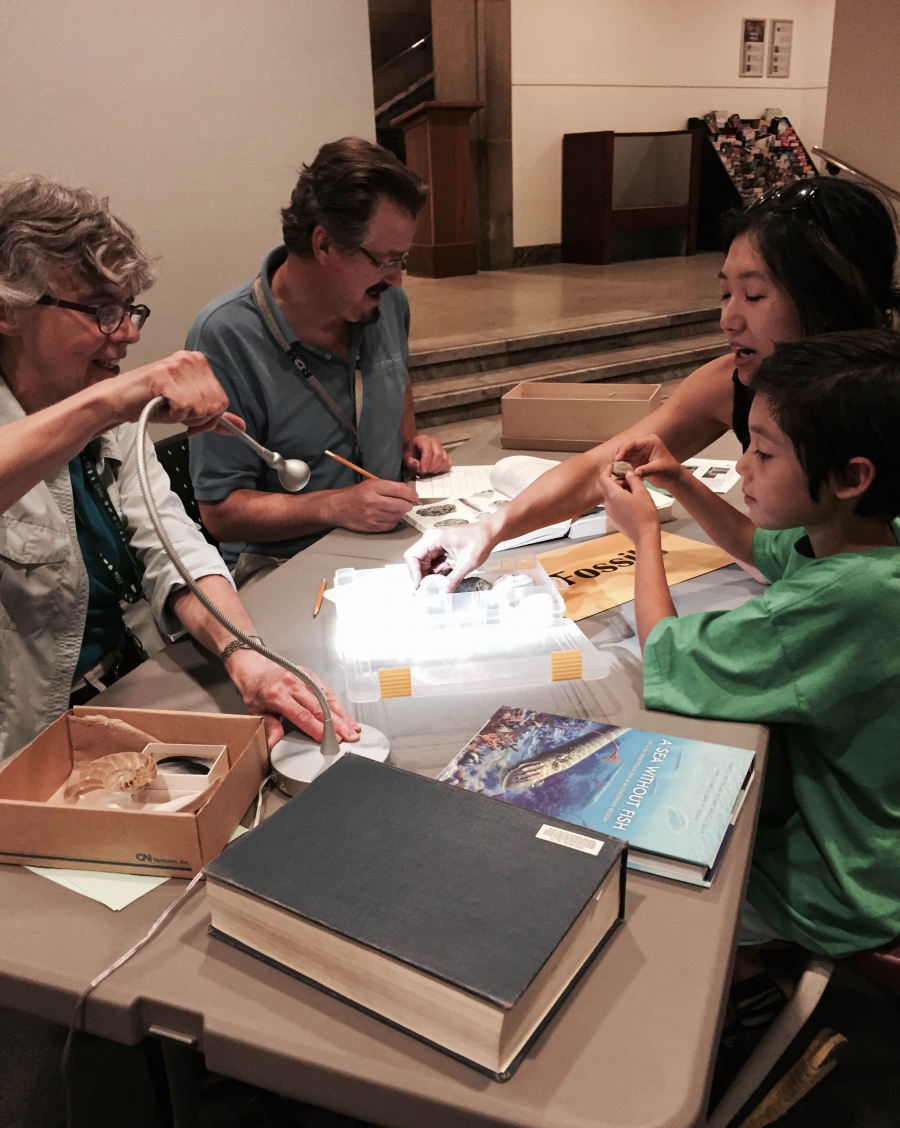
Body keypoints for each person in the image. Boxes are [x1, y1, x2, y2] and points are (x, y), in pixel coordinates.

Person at [0, 176, 359, 760]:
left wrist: (247, 653)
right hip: (24, 742)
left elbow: (169, 546)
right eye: (102, 311)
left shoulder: (103, 410)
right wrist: (108, 403)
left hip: (120, 695)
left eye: (129, 309)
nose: (131, 333)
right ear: (8, 311)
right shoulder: (101, 402)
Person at [405, 177, 900, 591]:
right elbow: (607, 462)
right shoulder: (729, 379)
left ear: (830, 300)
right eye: (726, 292)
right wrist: (489, 528)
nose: (728, 319)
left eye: (753, 295)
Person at [597, 330, 900, 983]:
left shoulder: (844, 601)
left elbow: (666, 654)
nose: (741, 468)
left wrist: (644, 534)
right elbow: (756, 545)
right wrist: (679, 482)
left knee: (626, 899)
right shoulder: (867, 541)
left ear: (851, 476)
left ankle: (717, 1008)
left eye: (764, 452)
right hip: (865, 839)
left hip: (840, 878)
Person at [187, 137, 452, 587]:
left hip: (389, 546)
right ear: (324, 244)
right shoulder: (226, 336)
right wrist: (336, 505)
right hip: (285, 569)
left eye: (402, 259)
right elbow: (222, 513)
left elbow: (395, 379)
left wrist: (409, 440)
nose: (397, 278)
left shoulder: (386, 304)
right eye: (385, 260)